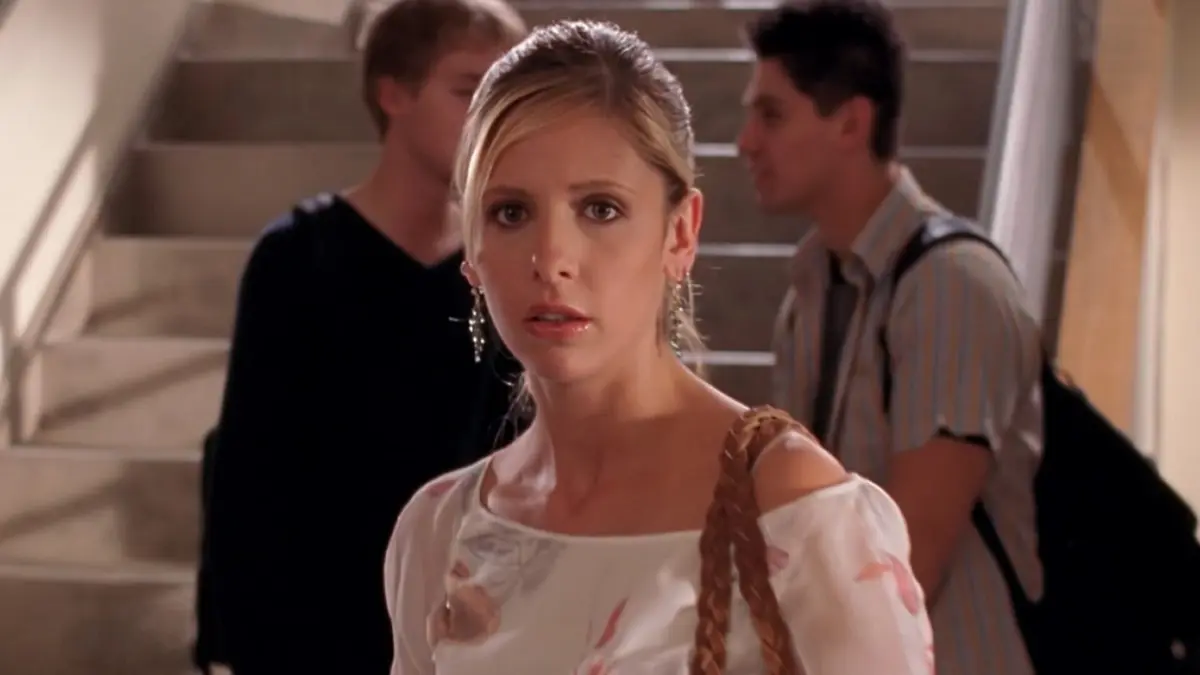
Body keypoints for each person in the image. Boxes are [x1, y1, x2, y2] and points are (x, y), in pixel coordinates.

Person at [382, 20, 935, 675]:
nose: (552, 259)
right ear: (471, 251)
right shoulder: (440, 530)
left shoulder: (792, 508)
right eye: (510, 212)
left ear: (680, 234)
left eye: (600, 209)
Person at [203, 2, 527, 674]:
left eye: (506, 94)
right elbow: (248, 464)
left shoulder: (508, 261)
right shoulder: (300, 255)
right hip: (316, 625)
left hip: (467, 629)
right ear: (394, 93)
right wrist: (230, 637)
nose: (492, 117)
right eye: (469, 90)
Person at [739, 2, 1043, 674]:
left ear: (852, 121)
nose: (746, 142)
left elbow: (912, 557)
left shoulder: (952, 285)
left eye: (772, 115)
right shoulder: (808, 294)